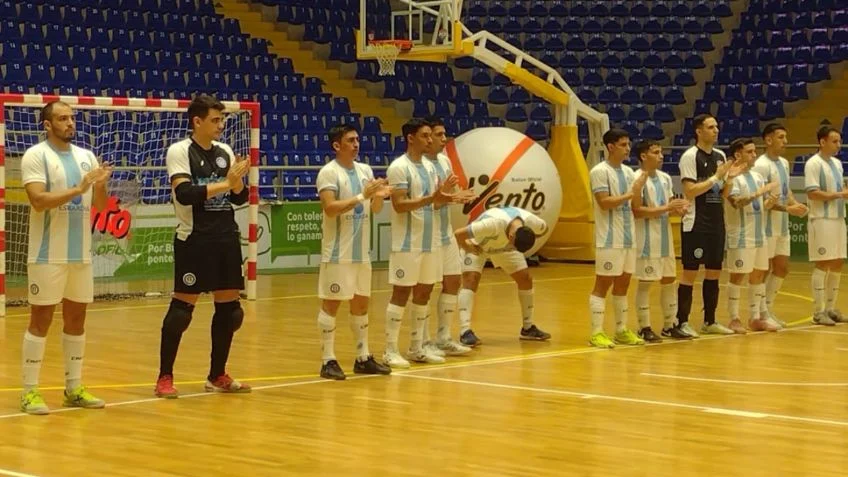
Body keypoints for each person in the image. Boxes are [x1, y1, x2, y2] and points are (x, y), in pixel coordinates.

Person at [19, 100, 112, 415]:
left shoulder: (86, 156)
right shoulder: (35, 155)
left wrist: (100, 186)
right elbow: (38, 200)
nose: (70, 123)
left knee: (77, 320)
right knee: (41, 321)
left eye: (72, 118)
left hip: (80, 255)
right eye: (62, 118)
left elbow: (99, 205)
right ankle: (29, 391)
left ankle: (73, 388)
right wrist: (78, 189)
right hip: (47, 255)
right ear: (48, 125)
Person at [154, 94, 251, 398]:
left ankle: (217, 374)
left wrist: (236, 183)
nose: (221, 125)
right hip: (194, 240)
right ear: (197, 121)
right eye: (215, 120)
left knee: (231, 312)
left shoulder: (224, 151)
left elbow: (239, 198)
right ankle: (164, 377)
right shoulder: (179, 151)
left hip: (225, 238)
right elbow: (185, 193)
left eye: (222, 119)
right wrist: (227, 182)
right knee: (181, 312)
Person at [315, 124, 393, 379]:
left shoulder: (365, 170)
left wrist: (380, 195)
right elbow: (330, 208)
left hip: (361, 253)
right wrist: (362, 196)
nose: (356, 144)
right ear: (337, 145)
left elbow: (375, 209)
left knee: (361, 305)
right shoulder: (328, 173)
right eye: (350, 140)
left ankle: (363, 356)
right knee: (331, 304)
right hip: (338, 253)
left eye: (358, 139)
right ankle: (328, 360)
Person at [382, 119, 460, 368]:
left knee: (424, 293)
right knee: (401, 294)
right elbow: (399, 204)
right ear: (411, 138)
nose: (430, 140)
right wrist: (431, 198)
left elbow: (434, 203)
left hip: (431, 241)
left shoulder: (429, 167)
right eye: (425, 136)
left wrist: (449, 198)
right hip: (407, 243)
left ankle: (417, 347)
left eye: (430, 136)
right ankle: (390, 349)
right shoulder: (399, 167)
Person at [675, 114, 737, 337]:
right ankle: (681, 322)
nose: (716, 130)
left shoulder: (720, 156)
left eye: (717, 126)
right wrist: (715, 177)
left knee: (714, 272)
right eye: (711, 127)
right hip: (696, 222)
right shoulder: (690, 157)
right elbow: (690, 191)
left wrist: (729, 179)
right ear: (699, 131)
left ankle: (709, 321)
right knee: (690, 272)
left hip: (716, 221)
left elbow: (721, 193)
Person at [453, 206, 552, 343]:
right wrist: (468, 247)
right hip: (478, 245)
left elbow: (544, 229)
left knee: (525, 279)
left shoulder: (531, 221)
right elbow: (458, 234)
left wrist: (526, 240)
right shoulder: (492, 223)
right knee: (470, 281)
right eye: (514, 245)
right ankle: (465, 332)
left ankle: (528, 328)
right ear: (511, 236)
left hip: (504, 248)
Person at [587, 128, 647, 348]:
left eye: (628, 144)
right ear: (610, 147)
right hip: (609, 239)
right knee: (602, 284)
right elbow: (604, 202)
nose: (628, 149)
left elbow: (634, 206)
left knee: (623, 285)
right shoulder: (599, 171)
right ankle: (596, 332)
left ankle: (621, 329)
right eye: (623, 145)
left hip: (628, 238)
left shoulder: (630, 173)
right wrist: (632, 193)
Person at [421, 116, 472, 356]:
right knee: (425, 287)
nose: (444, 139)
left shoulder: (444, 160)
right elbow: (429, 201)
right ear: (427, 138)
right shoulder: (417, 165)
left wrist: (460, 194)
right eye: (439, 135)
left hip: (445, 231)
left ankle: (444, 336)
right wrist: (451, 197)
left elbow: (450, 192)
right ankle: (422, 340)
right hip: (425, 234)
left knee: (453, 281)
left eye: (444, 134)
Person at [630, 140, 691, 342]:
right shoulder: (636, 178)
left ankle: (669, 324)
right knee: (646, 283)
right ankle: (644, 327)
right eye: (656, 152)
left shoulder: (665, 178)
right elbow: (637, 211)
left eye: (661, 152)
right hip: (646, 240)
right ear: (643, 156)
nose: (661, 156)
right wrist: (667, 208)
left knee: (668, 282)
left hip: (665, 240)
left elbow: (669, 204)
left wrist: (679, 208)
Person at [752, 124, 808, 327]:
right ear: (768, 140)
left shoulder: (784, 163)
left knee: (782, 268)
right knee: (763, 269)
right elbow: (763, 201)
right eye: (781, 137)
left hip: (782, 226)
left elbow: (787, 191)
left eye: (785, 137)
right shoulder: (761, 165)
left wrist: (795, 204)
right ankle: (758, 313)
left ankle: (767, 308)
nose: (785, 141)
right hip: (766, 226)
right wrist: (787, 209)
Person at [722, 138, 779, 333]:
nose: (754, 155)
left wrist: (770, 203)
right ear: (738, 154)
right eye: (750, 152)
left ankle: (755, 317)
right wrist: (760, 193)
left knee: (759, 274)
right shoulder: (731, 178)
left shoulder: (757, 177)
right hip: (740, 235)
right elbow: (736, 202)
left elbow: (757, 206)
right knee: (737, 276)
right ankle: (734, 318)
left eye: (755, 151)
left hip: (759, 233)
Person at [804, 126, 848, 326]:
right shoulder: (813, 164)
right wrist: (840, 195)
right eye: (834, 141)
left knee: (838, 262)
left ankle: (831, 308)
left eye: (839, 141)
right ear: (822, 142)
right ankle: (818, 311)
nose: (838, 145)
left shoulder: (838, 164)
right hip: (821, 219)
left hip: (838, 218)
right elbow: (812, 193)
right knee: (822, 263)